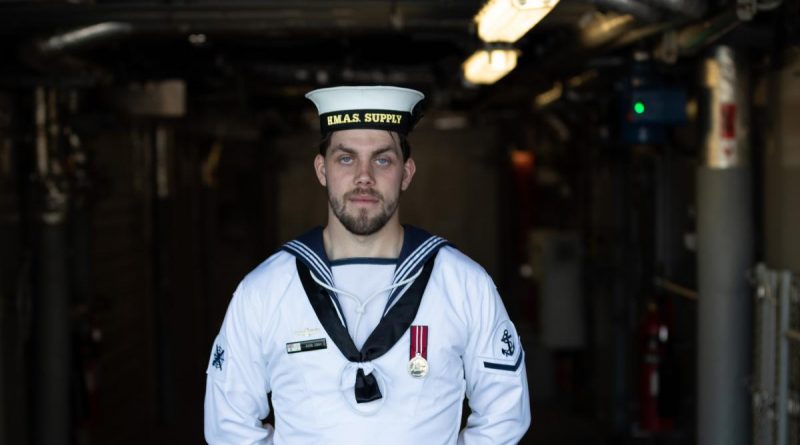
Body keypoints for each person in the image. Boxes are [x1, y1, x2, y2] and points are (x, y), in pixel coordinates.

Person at [204, 85, 531, 444]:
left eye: (382, 159)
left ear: (406, 173)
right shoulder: (264, 290)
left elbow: (504, 415)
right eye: (346, 158)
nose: (364, 177)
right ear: (321, 169)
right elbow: (229, 426)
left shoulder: (464, 284)